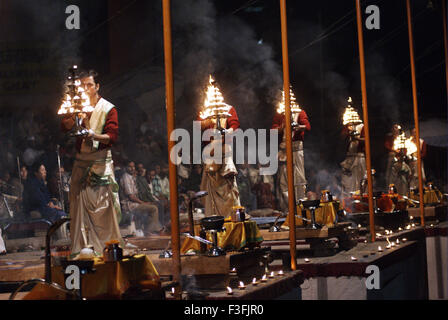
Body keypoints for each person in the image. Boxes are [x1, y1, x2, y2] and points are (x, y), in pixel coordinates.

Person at [60, 69, 122, 255]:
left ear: (97, 86)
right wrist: (73, 118)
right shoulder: (78, 106)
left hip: (99, 163)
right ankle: (82, 247)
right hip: (81, 163)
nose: (86, 89)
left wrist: (92, 134)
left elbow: (111, 137)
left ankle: (105, 246)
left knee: (101, 206)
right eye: (83, 85)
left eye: (89, 85)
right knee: (78, 205)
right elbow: (64, 126)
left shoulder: (108, 108)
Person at [198, 104, 241, 218]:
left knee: (227, 184)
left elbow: (235, 125)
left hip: (224, 150)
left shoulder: (228, 109)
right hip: (210, 152)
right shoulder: (206, 109)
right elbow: (198, 125)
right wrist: (205, 123)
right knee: (208, 185)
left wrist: (227, 132)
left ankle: (229, 216)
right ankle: (213, 216)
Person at [272, 107, 311, 212]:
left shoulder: (299, 112)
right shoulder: (280, 114)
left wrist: (297, 127)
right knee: (283, 182)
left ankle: (300, 209)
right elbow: (273, 130)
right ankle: (287, 210)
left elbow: (307, 126)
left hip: (296, 150)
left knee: (298, 180)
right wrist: (282, 126)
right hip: (284, 151)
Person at [120, 161, 162, 235]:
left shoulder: (132, 177)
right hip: (130, 205)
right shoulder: (126, 178)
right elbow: (131, 197)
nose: (132, 168)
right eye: (130, 167)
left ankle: (153, 229)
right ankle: (150, 230)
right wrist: (143, 203)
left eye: (133, 167)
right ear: (126, 168)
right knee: (153, 208)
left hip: (135, 203)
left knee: (156, 205)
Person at [340, 122, 366, 199]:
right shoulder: (347, 126)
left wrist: (357, 138)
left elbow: (366, 140)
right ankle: (347, 199)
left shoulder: (362, 127)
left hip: (359, 157)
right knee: (347, 180)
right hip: (349, 158)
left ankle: (360, 199)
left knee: (359, 180)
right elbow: (342, 138)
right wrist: (347, 130)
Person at [384, 124, 401, 189]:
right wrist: (394, 150)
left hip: (400, 158)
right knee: (390, 173)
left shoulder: (401, 138)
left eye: (396, 128)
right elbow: (386, 145)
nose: (395, 129)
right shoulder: (389, 137)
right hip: (391, 157)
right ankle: (389, 187)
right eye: (394, 128)